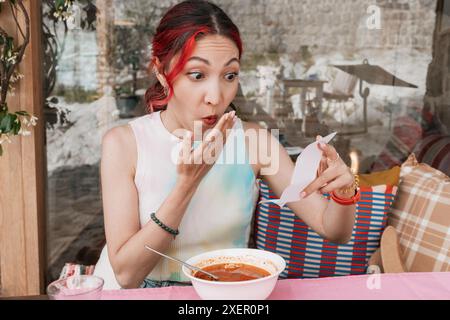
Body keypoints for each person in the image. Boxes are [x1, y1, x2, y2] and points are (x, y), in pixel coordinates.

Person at [94, 0, 359, 290]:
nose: (216, 96)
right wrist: (186, 184)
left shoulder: (255, 142)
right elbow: (127, 276)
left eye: (229, 75)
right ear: (161, 71)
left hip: (229, 293)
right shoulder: (124, 144)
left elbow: (334, 231)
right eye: (197, 75)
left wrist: (344, 192)